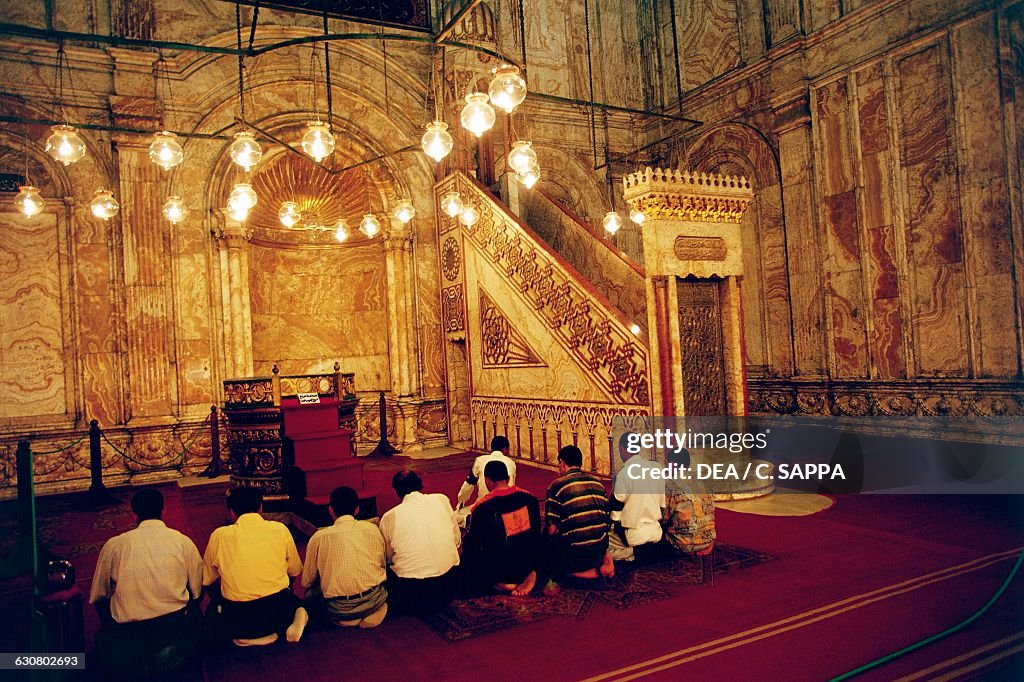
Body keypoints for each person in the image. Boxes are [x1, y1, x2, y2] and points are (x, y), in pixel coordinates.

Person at [89, 489, 203, 677]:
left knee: (102, 647)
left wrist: (114, 629)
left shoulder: (114, 546)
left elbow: (99, 597)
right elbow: (198, 593)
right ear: (164, 510)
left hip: (129, 641)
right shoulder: (183, 542)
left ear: (134, 514)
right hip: (173, 635)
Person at [203, 487, 308, 646]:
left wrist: (221, 601)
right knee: (297, 603)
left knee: (212, 613)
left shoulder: (219, 536)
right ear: (260, 507)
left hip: (238, 619)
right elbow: (294, 571)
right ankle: (292, 618)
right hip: (277, 611)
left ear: (231, 512)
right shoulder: (279, 529)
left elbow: (208, 582)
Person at [301, 486, 388, 628]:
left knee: (309, 595)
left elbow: (306, 582)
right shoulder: (372, 529)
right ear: (357, 509)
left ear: (330, 510)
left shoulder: (318, 537)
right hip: (374, 598)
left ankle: (346, 619)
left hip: (337, 607)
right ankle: (373, 611)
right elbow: (382, 565)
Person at [379, 470, 461, 613]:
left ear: (397, 491)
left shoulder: (389, 517)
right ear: (420, 484)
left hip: (412, 591)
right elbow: (457, 539)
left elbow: (388, 557)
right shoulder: (441, 499)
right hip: (449, 583)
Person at [461, 461, 541, 596]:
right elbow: (537, 535)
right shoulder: (530, 499)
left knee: (468, 554)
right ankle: (532, 574)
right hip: (526, 562)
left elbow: (474, 545)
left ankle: (500, 582)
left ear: (487, 481)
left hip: (500, 567)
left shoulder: (481, 507)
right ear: (508, 478)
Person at [544, 445, 614, 579]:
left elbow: (552, 530)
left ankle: (593, 573)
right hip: (599, 549)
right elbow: (607, 521)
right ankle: (605, 561)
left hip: (576, 555)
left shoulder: (556, 486)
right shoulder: (598, 484)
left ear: (562, 463)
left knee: (547, 547)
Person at [608, 433, 666, 561]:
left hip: (633, 537)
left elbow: (615, 515)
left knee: (603, 545)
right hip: (656, 532)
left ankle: (634, 553)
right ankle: (651, 549)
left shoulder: (623, 474)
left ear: (622, 449)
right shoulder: (657, 468)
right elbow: (662, 506)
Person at [662, 448, 716, 555]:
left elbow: (664, 518)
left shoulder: (670, 485)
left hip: (683, 544)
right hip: (708, 540)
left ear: (673, 463)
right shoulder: (703, 481)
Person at [455, 435, 518, 527]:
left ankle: (470, 521)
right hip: (508, 509)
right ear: (505, 449)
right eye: (508, 450)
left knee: (455, 516)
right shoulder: (511, 463)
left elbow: (468, 485)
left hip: (484, 507)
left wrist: (460, 502)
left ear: (487, 480)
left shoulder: (480, 461)